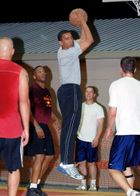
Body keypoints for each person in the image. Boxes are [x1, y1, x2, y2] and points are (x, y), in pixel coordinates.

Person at [56, 10, 94, 180]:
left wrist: (80, 25)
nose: (70, 39)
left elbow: (83, 39)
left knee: (70, 127)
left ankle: (66, 162)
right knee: (71, 127)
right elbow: (90, 40)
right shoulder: (68, 52)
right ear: (60, 42)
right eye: (66, 38)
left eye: (71, 37)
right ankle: (66, 162)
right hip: (70, 90)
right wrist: (82, 21)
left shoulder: (67, 49)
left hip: (67, 90)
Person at [105, 56, 140, 196]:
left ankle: (130, 191)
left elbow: (112, 112)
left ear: (121, 69)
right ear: (135, 69)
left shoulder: (116, 85)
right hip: (139, 133)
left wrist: (109, 128)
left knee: (113, 168)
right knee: (127, 167)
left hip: (125, 132)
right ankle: (130, 194)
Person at [0, 36, 30, 196]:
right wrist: (26, 129)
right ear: (12, 52)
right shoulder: (21, 72)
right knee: (13, 168)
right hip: (12, 130)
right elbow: (24, 102)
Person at [25, 65, 57, 196]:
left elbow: (48, 109)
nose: (43, 73)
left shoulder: (47, 91)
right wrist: (36, 126)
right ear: (34, 76)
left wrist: (57, 119)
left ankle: (35, 184)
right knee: (39, 155)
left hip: (45, 126)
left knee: (50, 156)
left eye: (44, 71)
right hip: (35, 126)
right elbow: (27, 109)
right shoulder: (32, 90)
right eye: (39, 71)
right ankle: (32, 189)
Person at [75, 86, 104, 191]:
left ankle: (93, 185)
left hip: (92, 140)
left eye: (90, 92)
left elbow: (101, 125)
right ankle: (83, 184)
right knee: (82, 163)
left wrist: (97, 138)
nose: (88, 94)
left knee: (92, 163)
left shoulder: (98, 108)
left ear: (94, 94)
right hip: (80, 139)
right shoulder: (80, 106)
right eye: (86, 91)